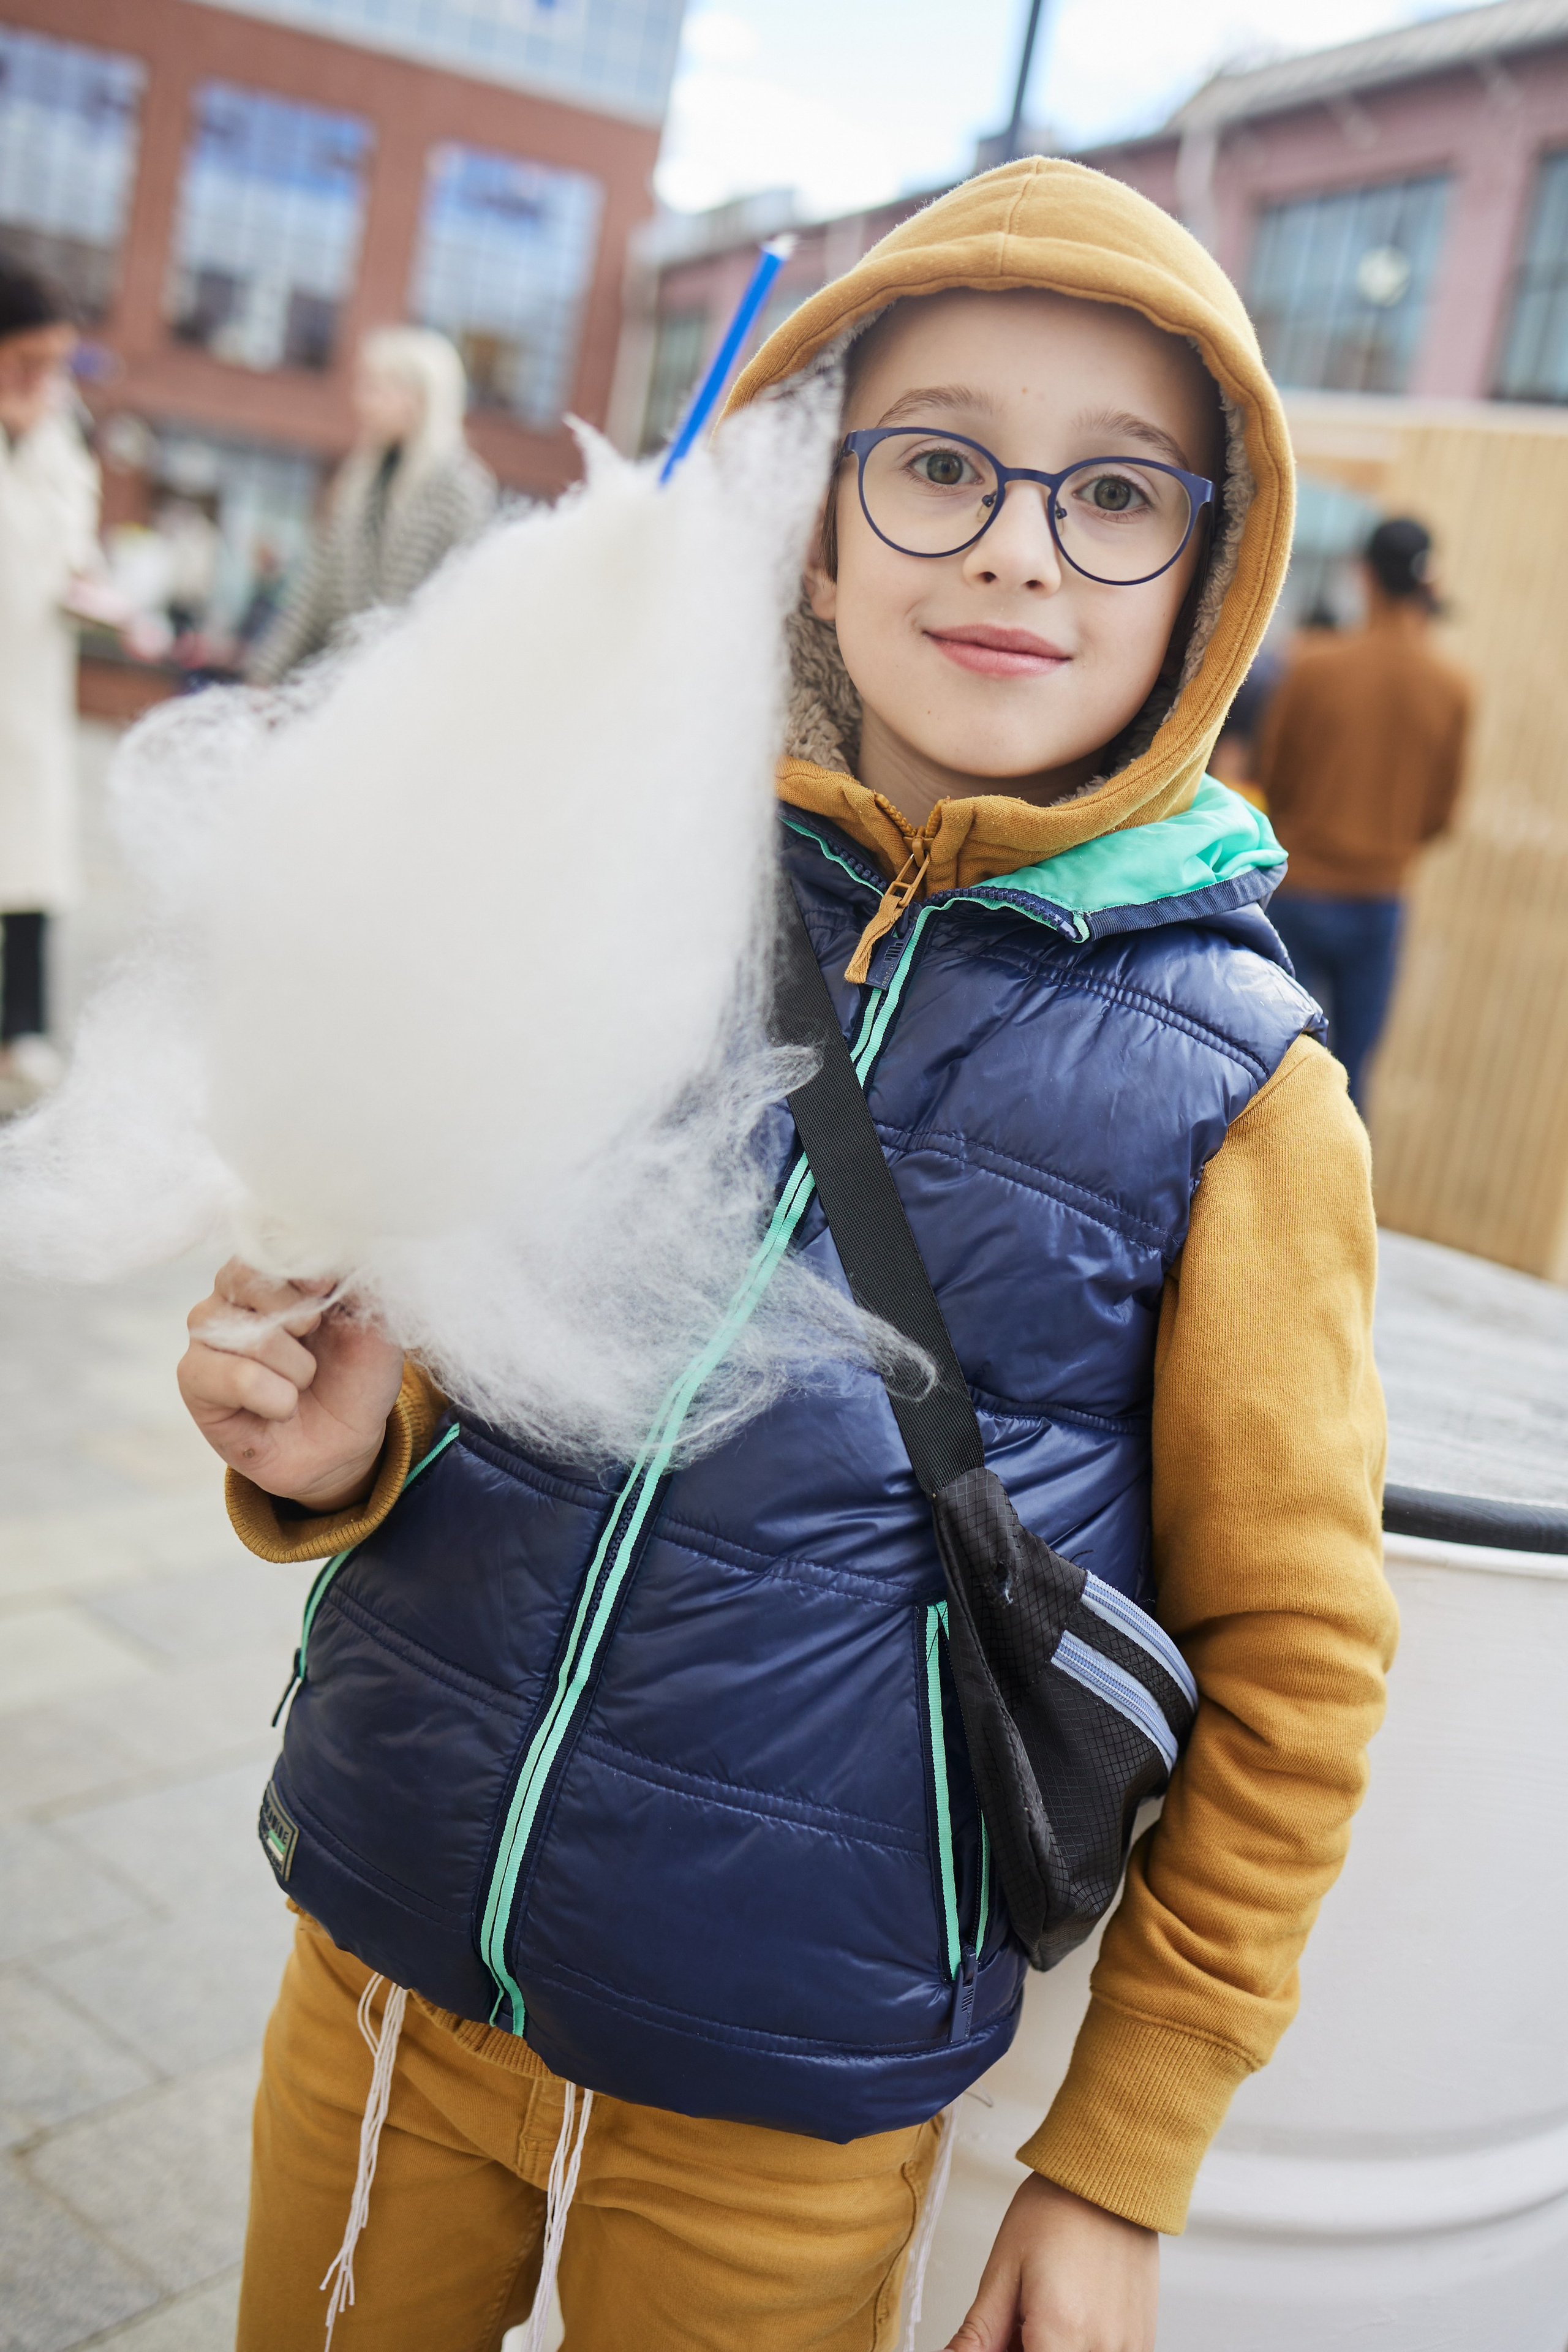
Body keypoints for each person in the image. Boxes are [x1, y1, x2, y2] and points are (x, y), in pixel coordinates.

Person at [177, 161, 1395, 2352]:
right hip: (381, 1960)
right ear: (814, 523)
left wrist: (1117, 2159)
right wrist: (334, 1444)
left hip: (785, 2096)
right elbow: (463, 1341)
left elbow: (1294, 1674)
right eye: (936, 465)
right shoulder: (615, 881)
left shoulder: (1242, 1095)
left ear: (1206, 578)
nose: (1018, 541)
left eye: (1114, 495)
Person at [1256, 516, 1472, 1111]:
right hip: (1381, 897)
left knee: (1273, 1066)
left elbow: (1272, 778)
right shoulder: (1452, 687)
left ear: (1364, 575)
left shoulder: (1312, 666)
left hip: (1298, 891)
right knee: (1351, 1083)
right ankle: (1336, 1204)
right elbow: (1440, 815)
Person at [247, 325, 496, 684]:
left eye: (379, 389)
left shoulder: (460, 491)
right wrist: (264, 676)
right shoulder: (360, 482)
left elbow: (464, 606)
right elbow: (313, 593)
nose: (363, 401)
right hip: (341, 686)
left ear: (420, 400)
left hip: (408, 694)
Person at [0, 263, 100, 1098]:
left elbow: (74, 540)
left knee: (31, 854)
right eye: (26, 358)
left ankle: (22, 1029)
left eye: (56, 361)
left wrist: (89, 586)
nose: (42, 380)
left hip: (30, 671)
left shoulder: (62, 431)